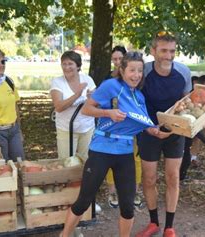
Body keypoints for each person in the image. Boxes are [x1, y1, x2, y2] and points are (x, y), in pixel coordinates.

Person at [60, 52, 159, 237]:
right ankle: (64, 235)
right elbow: (86, 109)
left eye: (140, 71)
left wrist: (156, 130)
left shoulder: (139, 96)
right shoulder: (111, 86)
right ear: (122, 70)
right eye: (132, 70)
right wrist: (109, 113)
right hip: (101, 150)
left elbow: (146, 125)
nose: (136, 75)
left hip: (125, 153)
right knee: (84, 200)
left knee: (128, 207)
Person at [136, 31, 191, 237]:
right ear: (153, 51)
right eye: (163, 51)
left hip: (175, 133)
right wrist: (149, 128)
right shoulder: (144, 71)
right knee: (149, 179)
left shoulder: (184, 72)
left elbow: (187, 104)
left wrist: (198, 116)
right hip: (148, 131)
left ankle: (169, 227)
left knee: (172, 178)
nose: (168, 55)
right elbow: (134, 103)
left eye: (172, 51)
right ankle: (153, 223)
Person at [103, 46, 144, 209]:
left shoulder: (136, 80)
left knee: (135, 159)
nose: (117, 62)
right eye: (115, 59)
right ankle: (113, 192)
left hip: (133, 128)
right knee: (112, 158)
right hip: (113, 128)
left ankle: (135, 192)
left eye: (120, 59)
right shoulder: (108, 80)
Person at [50, 51, 96, 162]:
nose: (67, 67)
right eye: (64, 64)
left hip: (87, 128)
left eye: (70, 64)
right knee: (66, 162)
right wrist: (77, 94)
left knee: (86, 162)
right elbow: (59, 107)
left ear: (78, 66)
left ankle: (84, 180)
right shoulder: (57, 82)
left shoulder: (87, 79)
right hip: (66, 129)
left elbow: (97, 103)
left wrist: (92, 98)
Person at [179, 75, 205, 181]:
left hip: (189, 133)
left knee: (186, 154)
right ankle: (180, 177)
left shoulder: (202, 102)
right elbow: (193, 124)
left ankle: (181, 176)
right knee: (184, 155)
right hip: (183, 131)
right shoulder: (190, 98)